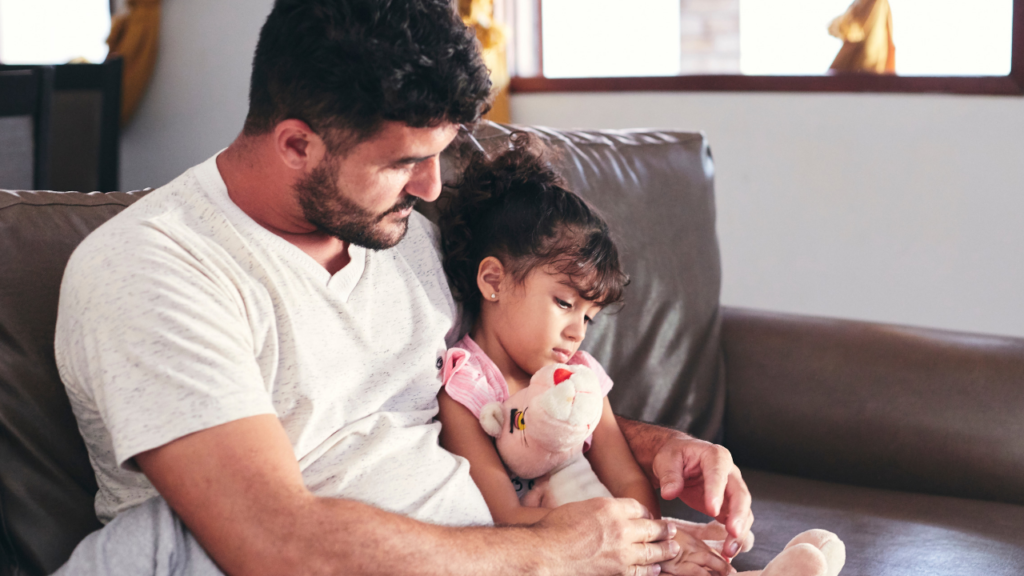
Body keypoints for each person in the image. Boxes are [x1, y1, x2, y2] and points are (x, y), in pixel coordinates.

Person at [53, 0, 752, 574]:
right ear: (296, 144)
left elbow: (490, 396)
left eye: (440, 156)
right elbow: (273, 540)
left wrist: (647, 447)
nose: (431, 188)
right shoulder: (156, 266)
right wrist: (550, 552)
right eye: (404, 164)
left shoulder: (397, 231)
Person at [434, 135, 737, 576]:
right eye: (564, 303)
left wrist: (649, 542)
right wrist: (599, 536)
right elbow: (501, 517)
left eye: (590, 317)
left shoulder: (579, 377)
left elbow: (628, 478)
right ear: (493, 280)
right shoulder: (464, 390)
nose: (577, 332)